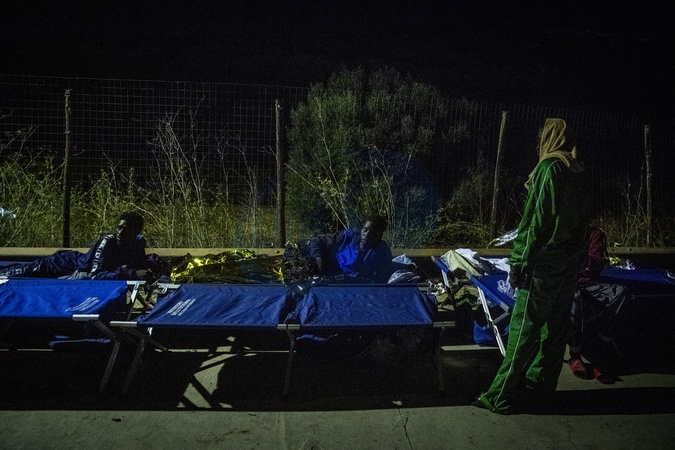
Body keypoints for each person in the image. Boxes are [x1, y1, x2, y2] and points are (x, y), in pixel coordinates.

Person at [472, 118, 588, 414]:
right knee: (555, 331)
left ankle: (499, 396)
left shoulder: (550, 168)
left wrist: (518, 262)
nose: (539, 145)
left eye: (541, 139)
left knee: (524, 330)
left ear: (549, 139)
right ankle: (542, 388)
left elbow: (535, 222)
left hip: (543, 263)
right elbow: (585, 222)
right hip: (568, 262)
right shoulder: (577, 171)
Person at [0, 211, 154, 281]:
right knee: (14, 272)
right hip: (61, 265)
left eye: (125, 229)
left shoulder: (138, 244)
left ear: (136, 232)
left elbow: (135, 265)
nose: (120, 232)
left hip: (74, 272)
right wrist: (131, 273)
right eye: (119, 228)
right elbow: (95, 275)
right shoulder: (107, 242)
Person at [283, 214, 394, 283]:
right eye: (365, 230)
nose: (367, 234)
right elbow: (317, 241)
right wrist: (319, 261)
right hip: (326, 272)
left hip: (350, 285)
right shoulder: (349, 236)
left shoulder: (382, 252)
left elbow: (381, 280)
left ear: (380, 236)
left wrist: (351, 280)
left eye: (373, 232)